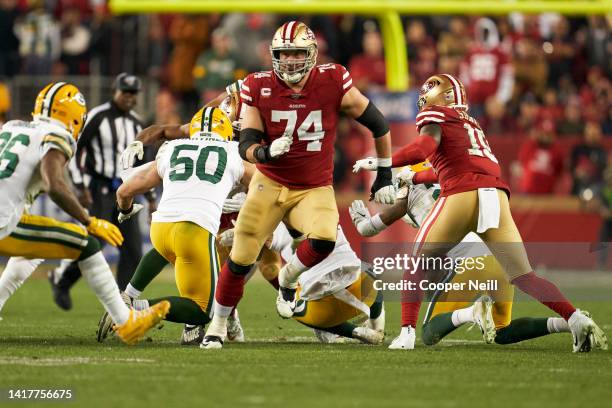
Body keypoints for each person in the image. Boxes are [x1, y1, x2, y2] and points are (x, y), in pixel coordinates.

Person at [354, 73, 607, 353]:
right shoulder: (470, 124)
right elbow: (447, 165)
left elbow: (425, 148)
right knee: (525, 277)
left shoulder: (438, 116)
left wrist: (384, 162)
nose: (423, 101)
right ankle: (574, 318)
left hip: (463, 194)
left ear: (443, 96)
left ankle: (406, 335)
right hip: (495, 195)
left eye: (427, 95)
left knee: (416, 262)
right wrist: (413, 178)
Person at [202, 21, 395, 349]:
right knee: (241, 255)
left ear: (312, 54)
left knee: (325, 237)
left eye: (297, 53)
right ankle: (217, 326)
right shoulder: (258, 86)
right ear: (274, 56)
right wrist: (263, 151)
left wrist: (386, 172)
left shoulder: (333, 80)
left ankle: (289, 280)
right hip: (271, 181)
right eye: (284, 54)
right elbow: (246, 142)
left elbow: (378, 123)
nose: (290, 61)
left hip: (313, 186)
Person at [0, 82, 168, 345]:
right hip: (4, 224)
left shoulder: (11, 127)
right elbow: (53, 184)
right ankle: (127, 322)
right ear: (74, 115)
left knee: (31, 251)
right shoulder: (56, 134)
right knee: (86, 243)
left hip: (9, 220)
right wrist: (88, 220)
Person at [349, 179, 606, 349]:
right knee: (502, 332)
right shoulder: (452, 178)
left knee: (427, 333)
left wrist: (366, 221)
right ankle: (570, 321)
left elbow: (393, 210)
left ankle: (473, 313)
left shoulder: (408, 189)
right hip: (499, 260)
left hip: (469, 264)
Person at [96, 107, 254, 346]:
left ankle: (127, 296)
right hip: (195, 229)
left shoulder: (172, 148)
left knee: (164, 250)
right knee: (203, 311)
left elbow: (125, 190)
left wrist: (126, 210)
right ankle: (137, 309)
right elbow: (265, 187)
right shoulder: (233, 152)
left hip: (160, 229)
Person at [49, 73, 156, 309]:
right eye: (125, 92)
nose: (129, 97)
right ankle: (61, 279)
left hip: (127, 193)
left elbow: (145, 163)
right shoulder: (97, 116)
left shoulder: (138, 123)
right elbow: (75, 149)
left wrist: (149, 197)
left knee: (132, 249)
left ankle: (122, 306)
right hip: (99, 190)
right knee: (94, 243)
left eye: (133, 93)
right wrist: (80, 185)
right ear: (114, 91)